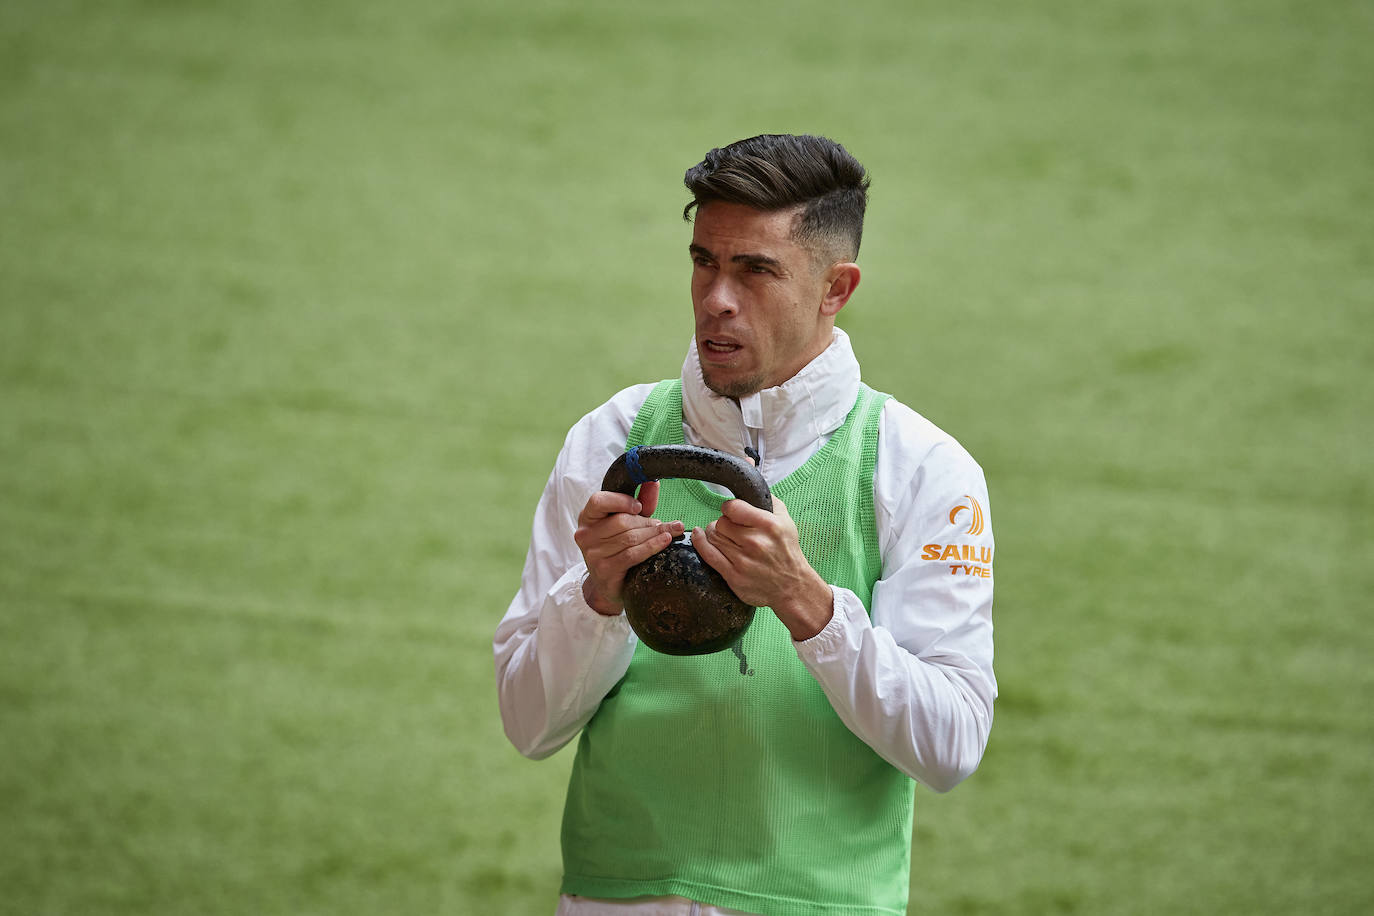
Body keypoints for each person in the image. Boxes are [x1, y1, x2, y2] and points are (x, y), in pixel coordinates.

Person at [494, 134, 996, 916]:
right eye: (704, 261)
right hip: (614, 897)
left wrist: (807, 602)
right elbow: (528, 723)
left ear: (837, 288)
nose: (716, 299)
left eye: (755, 270)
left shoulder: (925, 468)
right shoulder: (610, 438)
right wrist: (595, 596)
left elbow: (950, 745)